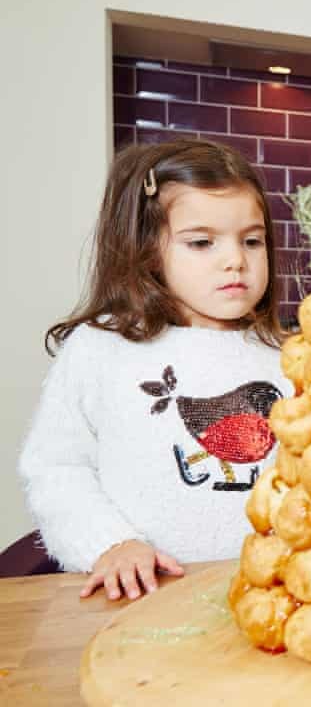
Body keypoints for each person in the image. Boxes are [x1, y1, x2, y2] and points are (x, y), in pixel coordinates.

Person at [19, 139, 290, 601]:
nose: (235, 260)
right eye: (202, 242)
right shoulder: (102, 349)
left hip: (269, 594)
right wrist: (110, 543)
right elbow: (56, 466)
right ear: (146, 249)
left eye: (252, 240)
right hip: (141, 598)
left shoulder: (287, 354)